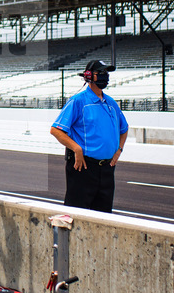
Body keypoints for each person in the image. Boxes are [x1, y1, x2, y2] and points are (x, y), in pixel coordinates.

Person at [50, 60, 128, 213]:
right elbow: (56, 130)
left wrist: (119, 149)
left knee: (103, 215)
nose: (105, 77)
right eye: (101, 73)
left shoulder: (111, 103)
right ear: (89, 76)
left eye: (107, 73)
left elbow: (124, 129)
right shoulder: (78, 101)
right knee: (78, 213)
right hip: (84, 167)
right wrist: (76, 148)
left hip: (107, 169)